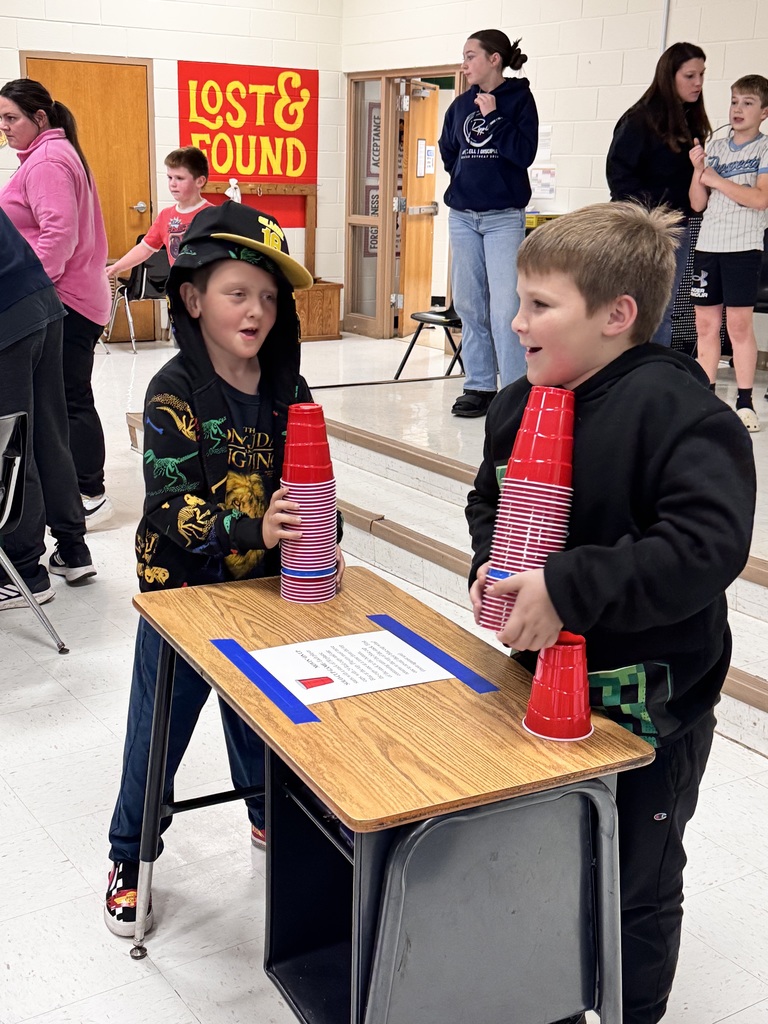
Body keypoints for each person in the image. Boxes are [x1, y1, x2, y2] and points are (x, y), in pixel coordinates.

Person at [465, 202, 755, 1024]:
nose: (516, 321)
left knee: (637, 880)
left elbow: (704, 547)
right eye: (519, 300)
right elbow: (488, 501)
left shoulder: (680, 414)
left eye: (540, 305)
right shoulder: (516, 406)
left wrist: (566, 587)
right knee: (549, 858)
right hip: (538, 691)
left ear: (617, 315)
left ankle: (632, 1008)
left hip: (653, 710)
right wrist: (492, 562)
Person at [104, 201, 345, 937]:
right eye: (238, 293)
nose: (256, 311)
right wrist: (253, 526)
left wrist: (322, 535)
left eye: (268, 297)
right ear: (192, 297)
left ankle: (269, 812)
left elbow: (311, 481)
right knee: (159, 733)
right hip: (181, 596)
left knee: (262, 717)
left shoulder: (289, 389)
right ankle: (129, 853)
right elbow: (169, 504)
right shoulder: (172, 390)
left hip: (265, 590)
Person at [0, 78, 114, 532]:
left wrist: (29, 289)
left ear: (39, 117)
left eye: (11, 118)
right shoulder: (49, 155)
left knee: (68, 401)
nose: (4, 127)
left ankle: (89, 492)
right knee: (67, 399)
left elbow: (58, 239)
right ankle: (81, 492)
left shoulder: (47, 161)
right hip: (68, 296)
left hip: (64, 299)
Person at [439, 30, 538, 417]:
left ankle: (513, 389)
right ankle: (479, 384)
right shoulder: (460, 105)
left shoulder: (519, 100)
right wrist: (467, 179)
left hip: (503, 218)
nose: (464, 64)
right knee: (469, 304)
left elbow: (523, 154)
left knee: (505, 308)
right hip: (463, 216)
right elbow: (449, 151)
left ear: (494, 59)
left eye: (471, 56)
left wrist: (494, 117)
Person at [0, 210, 96, 606]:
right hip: (39, 299)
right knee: (48, 432)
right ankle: (73, 549)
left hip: (8, 316)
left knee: (11, 445)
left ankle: (24, 574)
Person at [606, 42, 711, 348]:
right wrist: (647, 219)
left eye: (702, 75)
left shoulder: (692, 120)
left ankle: (655, 370)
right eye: (690, 76)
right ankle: (627, 368)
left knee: (664, 310)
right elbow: (619, 176)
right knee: (635, 306)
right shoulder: (639, 119)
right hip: (643, 226)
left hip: (679, 226)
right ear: (669, 76)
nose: (698, 83)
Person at [688, 74, 768, 432]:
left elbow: (760, 198)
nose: (738, 109)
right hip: (708, 246)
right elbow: (697, 203)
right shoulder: (716, 147)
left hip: (743, 248)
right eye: (735, 101)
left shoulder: (764, 149)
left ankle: (745, 402)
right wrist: (698, 171)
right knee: (705, 326)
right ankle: (706, 398)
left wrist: (717, 180)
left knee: (738, 326)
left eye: (748, 103)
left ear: (764, 112)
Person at [106, 146, 211, 278]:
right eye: (170, 177)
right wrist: (117, 267)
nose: (172, 184)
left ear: (200, 181)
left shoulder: (213, 215)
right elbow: (145, 248)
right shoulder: (165, 216)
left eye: (179, 178)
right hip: (180, 285)